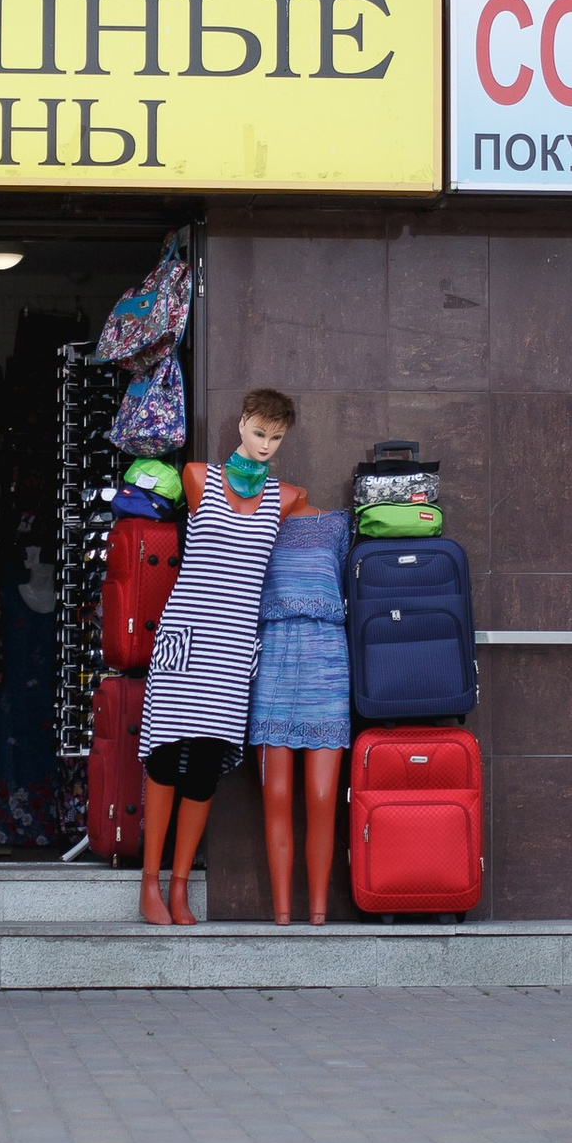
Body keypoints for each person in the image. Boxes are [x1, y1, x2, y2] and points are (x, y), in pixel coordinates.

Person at [134, 389, 312, 924]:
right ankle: (149, 884)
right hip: (186, 636)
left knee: (205, 768)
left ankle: (182, 886)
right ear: (241, 425)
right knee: (165, 756)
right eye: (259, 433)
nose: (265, 446)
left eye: (276, 438)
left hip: (232, 648)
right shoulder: (196, 478)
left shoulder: (287, 497)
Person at [248, 504, 351, 923]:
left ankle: (319, 912)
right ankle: (283, 913)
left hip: (326, 661)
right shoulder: (255, 522)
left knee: (323, 798)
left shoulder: (337, 525)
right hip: (272, 661)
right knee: (274, 797)